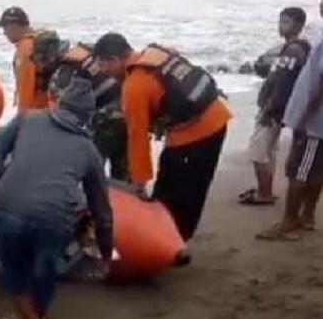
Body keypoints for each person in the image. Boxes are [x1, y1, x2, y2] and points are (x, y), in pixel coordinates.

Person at [0, 78, 113, 319]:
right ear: (87, 117)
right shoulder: (89, 150)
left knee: (11, 270)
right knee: (45, 271)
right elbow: (102, 210)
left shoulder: (28, 118)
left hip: (8, 207)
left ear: (59, 103)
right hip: (53, 220)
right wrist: (105, 252)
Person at [93, 33, 232, 241]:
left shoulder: (134, 86)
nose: (102, 71)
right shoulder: (155, 52)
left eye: (103, 65)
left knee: (176, 193)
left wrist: (139, 181)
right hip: (217, 115)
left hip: (196, 133)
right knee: (192, 186)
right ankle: (175, 238)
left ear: (115, 59)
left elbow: (137, 136)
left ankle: (172, 242)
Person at [260, 0, 323, 241]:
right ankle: (307, 216)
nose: (321, 5)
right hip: (315, 121)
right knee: (316, 169)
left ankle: (289, 220)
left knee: (298, 170)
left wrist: (304, 117)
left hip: (314, 122)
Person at [32, 30, 129, 181]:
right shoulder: (86, 52)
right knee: (123, 169)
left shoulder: (63, 72)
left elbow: (64, 115)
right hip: (128, 107)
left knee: (89, 167)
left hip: (108, 117)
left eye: (40, 60)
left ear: (47, 57)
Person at [240, 7, 310, 206]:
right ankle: (266, 190)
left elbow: (284, 84)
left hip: (273, 110)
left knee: (257, 152)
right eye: (280, 22)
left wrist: (269, 110)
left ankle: (264, 193)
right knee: (268, 151)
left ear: (298, 25)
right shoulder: (293, 48)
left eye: (286, 22)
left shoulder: (293, 50)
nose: (281, 26)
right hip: (278, 109)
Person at [0, 6, 47, 114]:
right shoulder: (37, 40)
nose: (4, 33)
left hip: (39, 113)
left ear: (14, 25)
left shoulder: (25, 51)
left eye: (5, 28)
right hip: (53, 110)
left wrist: (21, 121)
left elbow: (26, 92)